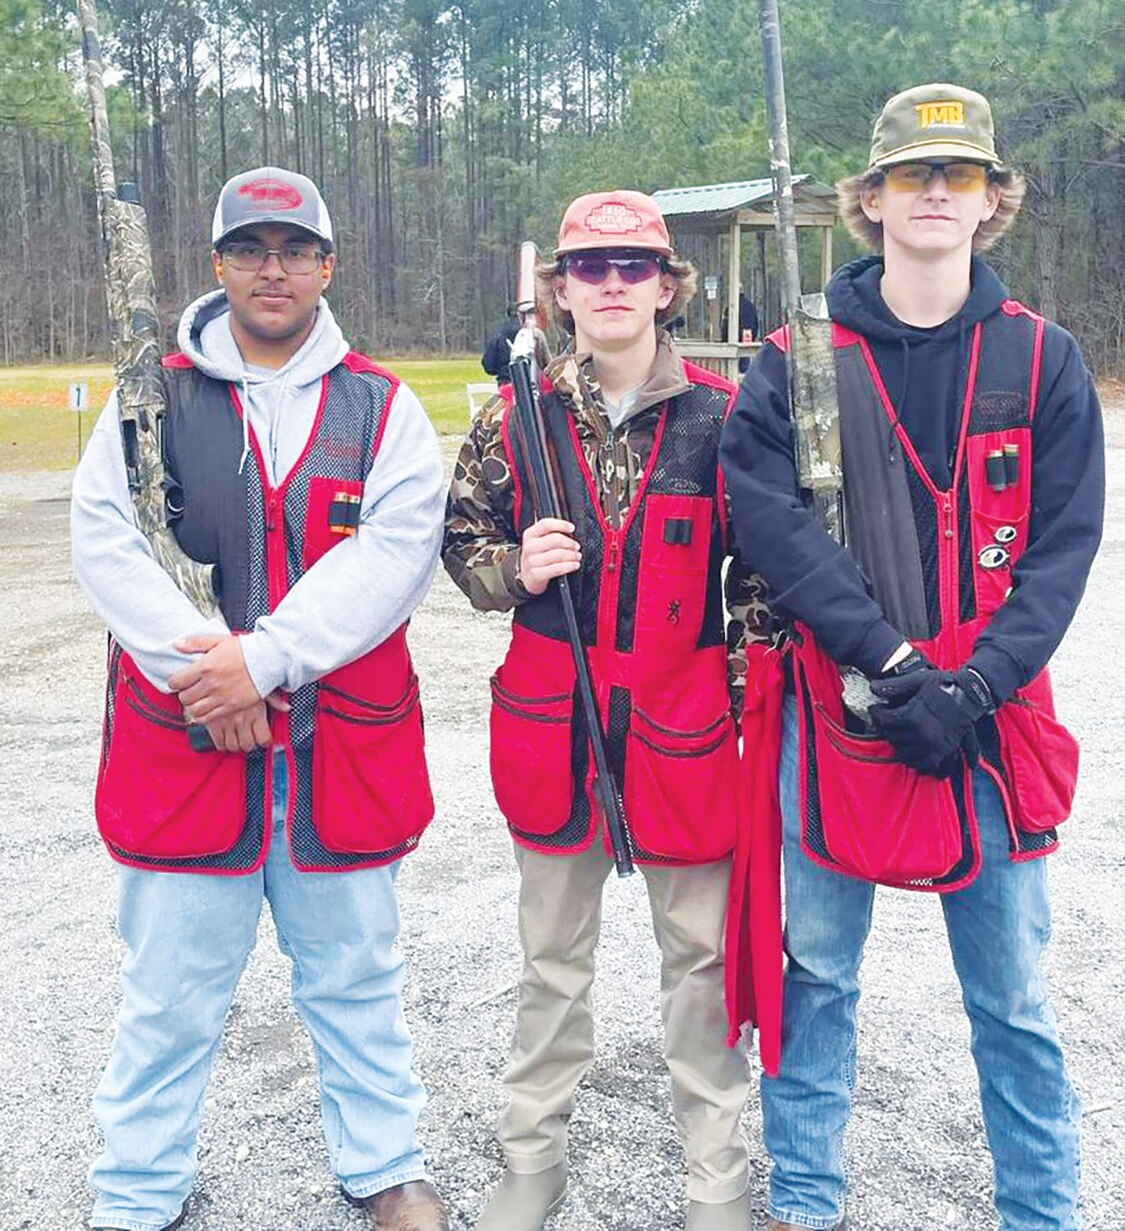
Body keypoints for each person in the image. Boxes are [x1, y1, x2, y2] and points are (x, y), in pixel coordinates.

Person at [720, 85, 1104, 1231]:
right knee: (819, 980)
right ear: (871, 199)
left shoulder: (1045, 361)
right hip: (845, 717)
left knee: (1016, 1002)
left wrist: (976, 684)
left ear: (992, 201)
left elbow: (1064, 548)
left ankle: (1041, 1212)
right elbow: (771, 522)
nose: (936, 193)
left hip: (988, 727)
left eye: (961, 175)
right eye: (913, 175)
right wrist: (888, 660)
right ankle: (804, 1202)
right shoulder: (798, 360)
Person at [71, 166, 449, 1231]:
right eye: (249, 248)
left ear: (328, 265)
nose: (271, 268)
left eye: (293, 249)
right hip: (189, 747)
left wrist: (265, 661)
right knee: (169, 997)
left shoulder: (383, 404)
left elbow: (396, 553)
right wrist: (208, 672)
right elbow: (106, 538)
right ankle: (137, 1191)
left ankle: (385, 1167)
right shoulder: (153, 397)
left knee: (357, 980)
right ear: (219, 264)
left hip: (338, 753)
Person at [444, 190, 773, 1231]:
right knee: (550, 965)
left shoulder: (729, 416)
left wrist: (733, 708)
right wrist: (512, 569)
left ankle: (715, 1185)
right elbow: (459, 546)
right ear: (563, 290)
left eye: (637, 267)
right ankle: (529, 1169)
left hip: (682, 729)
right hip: (555, 721)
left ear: (669, 287)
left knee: (704, 967)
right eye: (594, 268)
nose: (616, 284)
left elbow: (763, 581)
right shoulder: (515, 415)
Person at [481, 307, 521, 386]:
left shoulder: (499, 334)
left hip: (505, 382)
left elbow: (488, 365)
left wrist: (501, 371)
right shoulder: (531, 332)